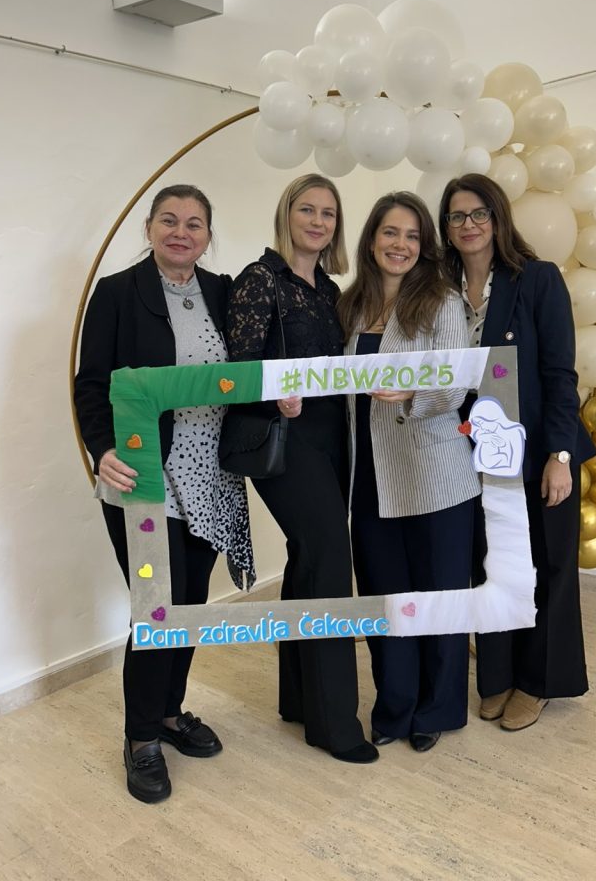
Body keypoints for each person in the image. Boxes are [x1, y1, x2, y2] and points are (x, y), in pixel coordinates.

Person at [74, 184, 253, 803]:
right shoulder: (118, 293)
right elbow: (91, 383)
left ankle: (170, 712)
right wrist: (102, 448)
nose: (181, 232)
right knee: (157, 608)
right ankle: (141, 737)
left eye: (194, 224)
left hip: (211, 479)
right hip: (145, 479)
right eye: (169, 221)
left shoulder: (224, 292)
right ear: (149, 228)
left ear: (208, 236)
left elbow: (246, 370)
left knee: (192, 604)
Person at [226, 173, 378, 765]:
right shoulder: (258, 279)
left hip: (331, 440)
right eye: (307, 210)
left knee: (307, 559)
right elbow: (238, 371)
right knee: (330, 560)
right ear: (287, 215)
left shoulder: (329, 289)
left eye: (328, 214)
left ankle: (299, 700)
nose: (318, 222)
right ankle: (335, 725)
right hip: (283, 443)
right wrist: (274, 398)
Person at [438, 173, 595, 731]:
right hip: (477, 458)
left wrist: (559, 456)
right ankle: (498, 677)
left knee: (548, 566)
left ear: (498, 217)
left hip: (539, 453)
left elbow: (559, 373)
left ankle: (539, 682)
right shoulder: (441, 291)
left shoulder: (537, 279)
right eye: (457, 216)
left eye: (479, 213)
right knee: (494, 565)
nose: (469, 225)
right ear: (446, 227)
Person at [337, 191, 481, 753]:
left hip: (433, 472)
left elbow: (459, 380)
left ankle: (436, 710)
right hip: (369, 475)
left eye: (413, 236)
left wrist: (413, 393)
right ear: (372, 239)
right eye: (391, 233)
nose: (401, 245)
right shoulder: (351, 304)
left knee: (438, 597)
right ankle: (394, 707)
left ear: (425, 246)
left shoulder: (441, 300)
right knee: (386, 599)